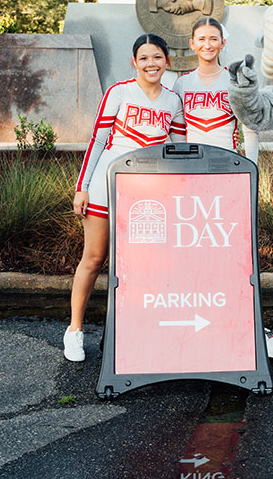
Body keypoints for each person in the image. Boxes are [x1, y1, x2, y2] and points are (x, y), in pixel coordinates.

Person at [65, 33, 186, 362]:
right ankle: (75, 330)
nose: (151, 63)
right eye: (144, 58)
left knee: (143, 267)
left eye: (157, 57)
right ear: (134, 62)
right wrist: (82, 186)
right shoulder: (119, 93)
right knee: (93, 259)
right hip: (108, 185)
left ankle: (137, 330)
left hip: (148, 195)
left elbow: (177, 152)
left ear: (167, 61)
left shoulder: (173, 102)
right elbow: (97, 141)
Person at [172, 17, 258, 162]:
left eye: (213, 39)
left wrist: (252, 168)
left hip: (226, 162)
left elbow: (250, 129)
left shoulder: (235, 81)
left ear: (222, 43)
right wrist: (182, 161)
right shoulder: (182, 83)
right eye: (201, 39)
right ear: (192, 44)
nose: (207, 45)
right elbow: (177, 130)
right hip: (192, 163)